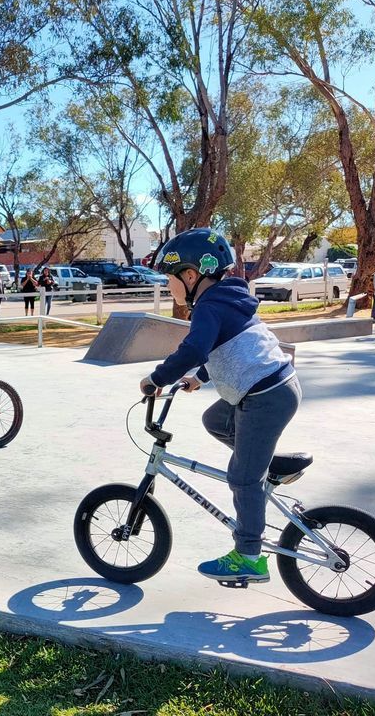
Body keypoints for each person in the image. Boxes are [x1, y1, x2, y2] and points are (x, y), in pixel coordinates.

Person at [140, 228, 300, 585]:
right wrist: (201, 377)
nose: (169, 287)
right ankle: (265, 465)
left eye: (171, 278)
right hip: (273, 388)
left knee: (242, 477)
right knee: (215, 418)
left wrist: (158, 378)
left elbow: (196, 348)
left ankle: (249, 556)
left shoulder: (209, 307)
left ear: (191, 275)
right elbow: (232, 348)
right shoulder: (227, 300)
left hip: (264, 397)